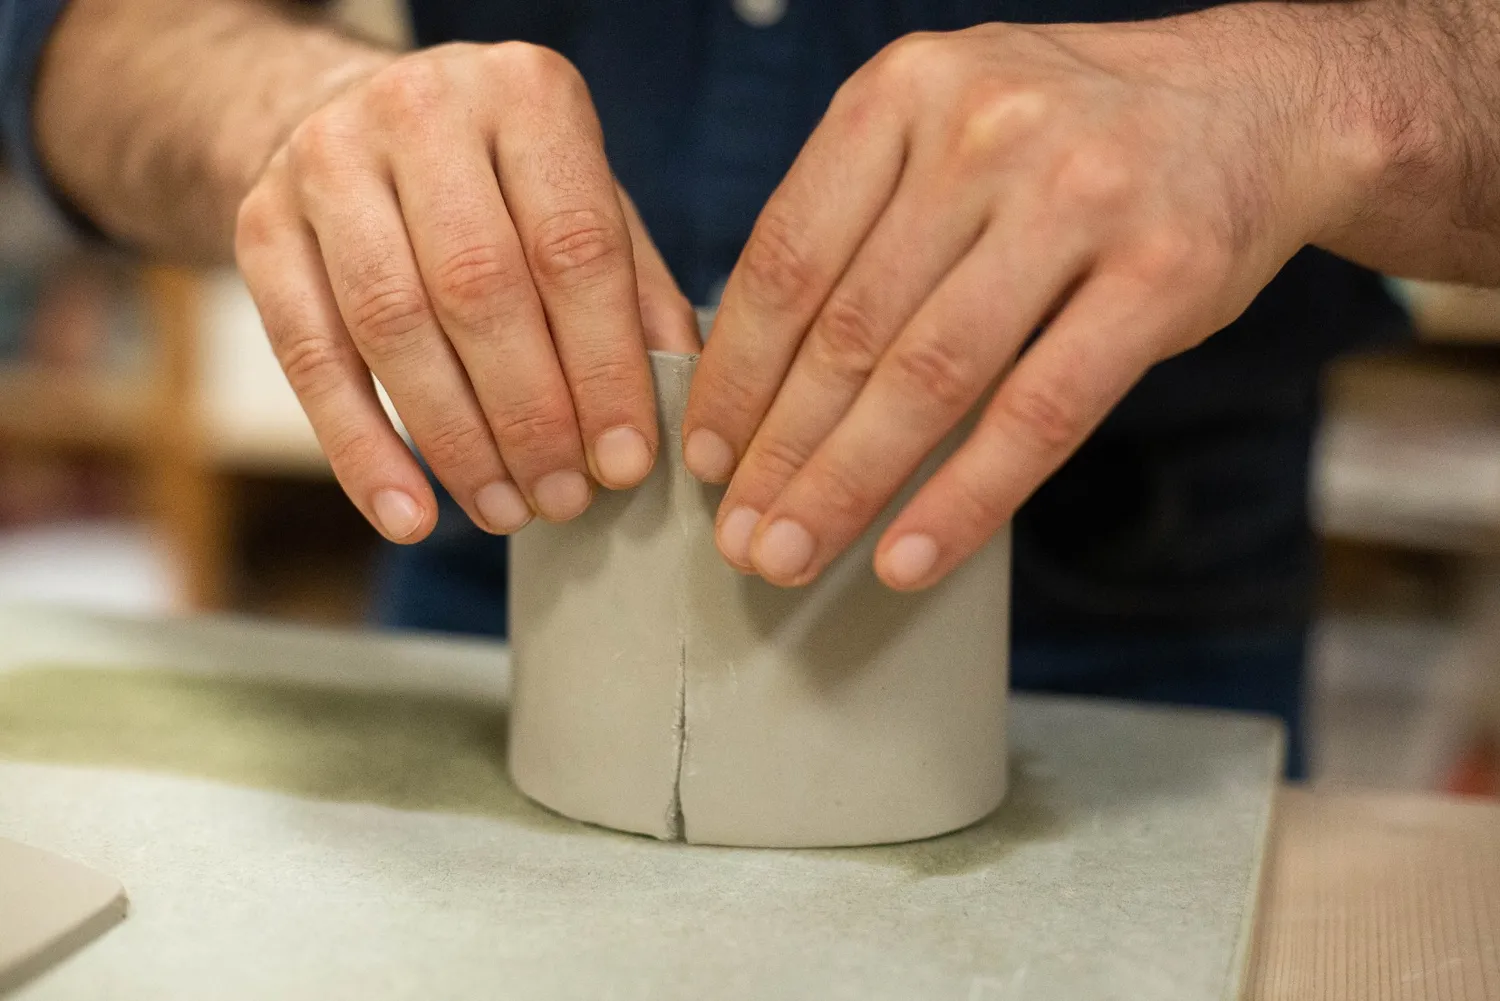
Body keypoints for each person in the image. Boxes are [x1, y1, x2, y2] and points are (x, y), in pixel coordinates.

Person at [5, 0, 1498, 777]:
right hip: (509, 600)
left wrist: (1325, 100)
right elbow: (76, 40)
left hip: (1134, 645)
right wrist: (296, 115)